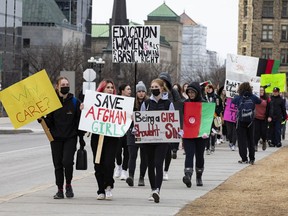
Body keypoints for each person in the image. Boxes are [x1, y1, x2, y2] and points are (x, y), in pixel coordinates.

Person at [39, 76, 85, 199]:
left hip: (70, 137)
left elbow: (81, 121)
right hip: (56, 138)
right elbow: (49, 122)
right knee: (58, 164)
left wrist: (82, 111)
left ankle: (68, 185)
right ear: (57, 87)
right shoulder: (52, 103)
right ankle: (59, 189)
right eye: (62, 84)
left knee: (67, 162)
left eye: (67, 84)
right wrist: (41, 119)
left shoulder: (75, 102)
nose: (65, 86)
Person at [140, 78, 175, 203]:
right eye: (152, 87)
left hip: (162, 139)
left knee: (158, 163)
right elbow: (141, 119)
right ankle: (153, 188)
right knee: (150, 164)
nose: (154, 89)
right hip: (148, 139)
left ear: (161, 88)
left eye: (156, 87)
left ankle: (157, 191)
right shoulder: (146, 103)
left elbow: (172, 120)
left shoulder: (168, 104)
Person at [90, 79, 119, 200]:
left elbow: (121, 119)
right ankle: (100, 189)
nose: (110, 90)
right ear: (102, 89)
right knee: (98, 164)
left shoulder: (118, 103)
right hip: (97, 136)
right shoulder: (94, 103)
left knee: (109, 163)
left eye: (112, 87)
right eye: (107, 87)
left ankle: (108, 186)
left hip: (111, 137)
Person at [182, 82, 209, 188]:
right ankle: (188, 175)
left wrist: (207, 130)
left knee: (199, 155)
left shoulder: (204, 103)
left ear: (197, 92)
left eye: (193, 92)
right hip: (188, 132)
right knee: (189, 154)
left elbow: (207, 118)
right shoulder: (185, 103)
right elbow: (182, 117)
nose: (191, 94)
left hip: (201, 133)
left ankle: (199, 176)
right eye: (189, 92)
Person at [158, 72, 182, 181]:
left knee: (168, 149)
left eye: (164, 81)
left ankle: (165, 170)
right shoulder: (156, 90)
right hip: (158, 123)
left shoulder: (173, 92)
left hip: (169, 123)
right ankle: (158, 169)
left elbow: (178, 105)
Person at [232, 82, 261, 165]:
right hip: (251, 122)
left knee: (242, 141)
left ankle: (244, 159)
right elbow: (259, 101)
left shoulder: (238, 97)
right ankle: (252, 159)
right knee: (251, 140)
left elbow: (233, 102)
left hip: (240, 121)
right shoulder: (253, 97)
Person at [126, 81, 148, 187]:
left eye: (143, 91)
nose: (141, 93)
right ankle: (131, 176)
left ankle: (141, 177)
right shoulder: (131, 103)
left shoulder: (148, 103)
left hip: (145, 133)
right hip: (132, 132)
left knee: (144, 156)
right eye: (139, 91)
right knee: (132, 155)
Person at [114, 84, 131, 180]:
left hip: (128, 130)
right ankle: (119, 166)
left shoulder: (132, 102)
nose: (129, 91)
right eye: (128, 89)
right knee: (117, 150)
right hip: (118, 129)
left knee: (127, 151)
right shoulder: (116, 101)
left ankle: (125, 170)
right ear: (122, 91)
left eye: (130, 89)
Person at [204, 84, 223, 154]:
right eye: (207, 89)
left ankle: (212, 145)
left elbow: (221, 106)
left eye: (210, 88)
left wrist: (217, 112)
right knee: (207, 132)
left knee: (213, 132)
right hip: (206, 117)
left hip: (215, 117)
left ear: (212, 89)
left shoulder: (216, 97)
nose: (209, 90)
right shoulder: (204, 97)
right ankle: (207, 148)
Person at [254, 86, 269, 151]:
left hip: (264, 118)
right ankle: (255, 145)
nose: (261, 92)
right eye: (260, 90)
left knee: (263, 132)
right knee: (256, 132)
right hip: (256, 118)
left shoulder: (267, 99)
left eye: (262, 90)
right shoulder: (255, 98)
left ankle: (264, 141)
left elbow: (270, 108)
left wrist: (269, 116)